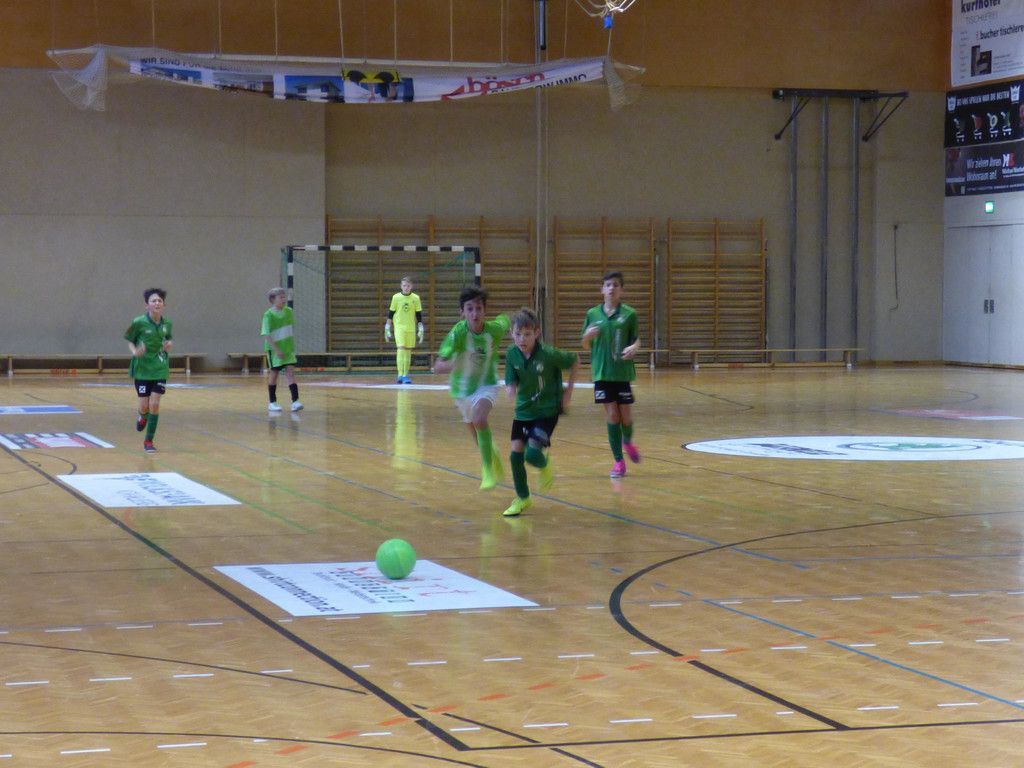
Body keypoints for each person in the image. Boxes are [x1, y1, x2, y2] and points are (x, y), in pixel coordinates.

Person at [502, 308, 578, 517]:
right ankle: (523, 497)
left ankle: (545, 464)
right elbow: (511, 377)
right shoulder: (511, 354)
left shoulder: (549, 354)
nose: (522, 339)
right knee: (515, 455)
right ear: (512, 334)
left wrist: (568, 393)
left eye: (527, 334)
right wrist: (510, 387)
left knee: (532, 454)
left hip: (547, 411)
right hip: (523, 411)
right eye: (518, 334)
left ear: (537, 333)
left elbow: (574, 361)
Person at [434, 286, 509, 491]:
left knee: (479, 419)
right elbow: (438, 365)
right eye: (469, 309)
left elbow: (506, 320)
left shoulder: (494, 330)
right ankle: (492, 453)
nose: (474, 313)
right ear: (462, 312)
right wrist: (450, 365)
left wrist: (521, 324)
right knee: (475, 430)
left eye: (478, 308)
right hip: (461, 390)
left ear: (485, 310)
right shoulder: (458, 333)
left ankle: (487, 469)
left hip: (487, 384)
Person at [581, 270, 641, 478]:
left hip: (622, 372)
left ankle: (628, 441)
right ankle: (618, 461)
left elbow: (636, 339)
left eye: (616, 285)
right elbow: (585, 344)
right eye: (608, 285)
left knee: (626, 417)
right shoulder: (592, 314)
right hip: (602, 373)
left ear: (621, 289)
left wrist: (634, 347)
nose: (611, 288)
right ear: (602, 289)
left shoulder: (629, 314)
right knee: (613, 415)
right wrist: (587, 336)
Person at [124, 287, 173, 453]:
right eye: (153, 300)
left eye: (160, 300)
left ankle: (148, 441)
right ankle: (142, 416)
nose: (157, 303)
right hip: (143, 368)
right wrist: (135, 352)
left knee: (155, 403)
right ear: (147, 305)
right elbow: (130, 340)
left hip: (160, 367)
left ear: (164, 304)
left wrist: (168, 345)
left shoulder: (167, 324)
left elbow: (168, 339)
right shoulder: (138, 322)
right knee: (144, 405)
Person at [261, 287, 303, 413]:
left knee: (290, 373)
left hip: (288, 348)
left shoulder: (289, 311)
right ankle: (272, 402)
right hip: (275, 350)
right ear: (273, 300)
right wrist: (276, 350)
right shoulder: (268, 315)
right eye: (281, 297)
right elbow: (266, 334)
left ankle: (295, 401)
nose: (283, 299)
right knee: (274, 374)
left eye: (284, 297)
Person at [384, 276, 424, 384]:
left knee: (408, 351)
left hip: (410, 327)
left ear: (411, 286)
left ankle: (405, 375)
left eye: (408, 286)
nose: (406, 287)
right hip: (399, 327)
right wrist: (387, 327)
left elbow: (418, 314)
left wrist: (420, 328)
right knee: (401, 348)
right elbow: (391, 313)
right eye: (404, 285)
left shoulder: (415, 298)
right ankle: (400, 374)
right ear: (401, 286)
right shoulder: (396, 297)